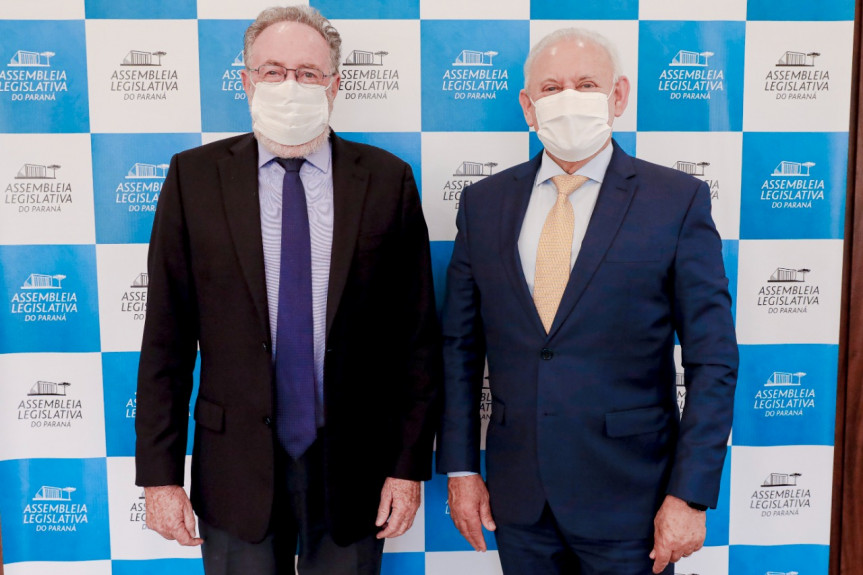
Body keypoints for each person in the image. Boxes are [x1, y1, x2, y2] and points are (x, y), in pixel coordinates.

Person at [135, 6, 441, 574]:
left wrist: (406, 468)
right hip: (233, 466)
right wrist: (159, 477)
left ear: (334, 85)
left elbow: (415, 340)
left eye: (308, 73)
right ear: (247, 81)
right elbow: (165, 342)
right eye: (273, 72)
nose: (290, 86)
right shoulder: (193, 178)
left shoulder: (387, 180)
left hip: (354, 465)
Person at [436, 27, 738, 575]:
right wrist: (460, 470)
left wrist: (690, 496)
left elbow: (712, 359)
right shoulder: (483, 203)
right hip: (518, 501)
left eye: (586, 84)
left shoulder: (676, 200)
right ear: (528, 106)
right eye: (551, 88)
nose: (568, 99)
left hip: (634, 501)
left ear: (618, 96)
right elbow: (459, 347)